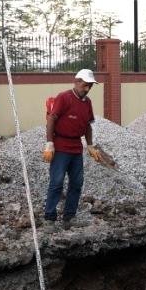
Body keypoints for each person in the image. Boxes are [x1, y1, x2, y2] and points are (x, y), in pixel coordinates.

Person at [43, 68, 99, 227]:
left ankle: (69, 216)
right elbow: (51, 119)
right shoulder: (64, 97)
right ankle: (49, 216)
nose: (87, 89)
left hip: (76, 147)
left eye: (90, 86)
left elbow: (88, 125)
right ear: (77, 81)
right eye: (85, 85)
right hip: (61, 146)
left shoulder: (87, 103)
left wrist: (90, 145)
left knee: (77, 182)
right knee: (57, 181)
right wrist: (49, 143)